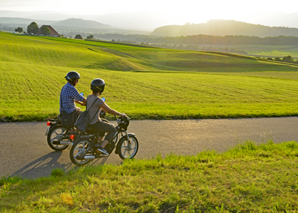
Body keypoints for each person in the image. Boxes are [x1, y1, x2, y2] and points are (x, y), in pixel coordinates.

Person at [87, 78, 127, 156]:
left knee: (105, 122)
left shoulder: (89, 97)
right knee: (113, 129)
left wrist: (100, 108)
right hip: (94, 123)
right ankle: (101, 147)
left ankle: (99, 142)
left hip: (88, 121)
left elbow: (93, 107)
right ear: (101, 88)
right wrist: (121, 114)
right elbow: (109, 110)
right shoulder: (99, 100)